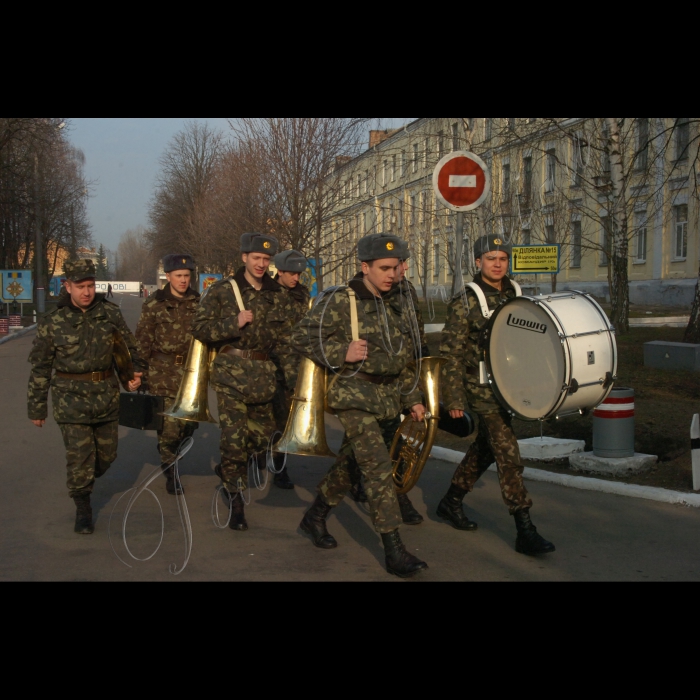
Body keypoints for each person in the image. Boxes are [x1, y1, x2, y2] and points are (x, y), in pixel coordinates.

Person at [293, 233, 429, 579]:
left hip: (386, 398)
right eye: (383, 268)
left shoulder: (395, 300)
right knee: (378, 469)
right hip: (354, 395)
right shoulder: (342, 300)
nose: (391, 274)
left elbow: (404, 355)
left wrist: (412, 398)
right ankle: (393, 550)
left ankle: (315, 516)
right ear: (364, 266)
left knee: (351, 466)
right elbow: (301, 337)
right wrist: (342, 353)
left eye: (395, 267)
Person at [437, 234, 555, 556]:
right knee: (508, 453)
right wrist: (455, 399)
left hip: (510, 389)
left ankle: (450, 502)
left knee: (486, 450)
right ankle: (524, 530)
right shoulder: (466, 300)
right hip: (480, 391)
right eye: (491, 258)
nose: (498, 263)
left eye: (502, 258)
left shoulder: (516, 294)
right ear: (478, 262)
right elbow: (451, 354)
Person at [27, 259, 144, 535]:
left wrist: (135, 372)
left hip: (105, 396)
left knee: (106, 456)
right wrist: (37, 407)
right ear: (67, 287)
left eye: (91, 286)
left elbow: (128, 347)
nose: (87, 292)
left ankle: (87, 480)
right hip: (70, 401)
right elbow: (41, 367)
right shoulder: (52, 322)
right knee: (79, 458)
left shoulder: (109, 314)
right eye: (80, 286)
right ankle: (83, 509)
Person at [191, 233, 296, 532]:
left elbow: (287, 340)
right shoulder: (224, 291)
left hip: (264, 377)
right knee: (234, 441)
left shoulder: (277, 295)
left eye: (266, 259)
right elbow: (198, 327)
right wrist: (232, 324)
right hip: (231, 376)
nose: (262, 263)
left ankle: (227, 470)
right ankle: (236, 500)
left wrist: (292, 378)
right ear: (244, 258)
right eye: (256, 258)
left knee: (263, 441)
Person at [135, 255, 200, 496]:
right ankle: (170, 470)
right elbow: (143, 339)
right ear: (168, 277)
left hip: (190, 375)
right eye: (179, 276)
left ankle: (172, 454)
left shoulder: (198, 302)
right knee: (170, 427)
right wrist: (139, 371)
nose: (183, 280)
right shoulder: (155, 304)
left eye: (187, 276)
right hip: (162, 373)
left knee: (188, 427)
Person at [269, 249, 310, 490]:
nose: (296, 278)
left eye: (299, 274)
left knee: (285, 421)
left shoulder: (302, 294)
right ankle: (253, 458)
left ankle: (280, 468)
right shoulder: (268, 294)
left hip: (296, 367)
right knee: (265, 421)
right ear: (280, 271)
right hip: (271, 365)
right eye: (291, 273)